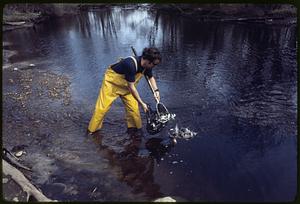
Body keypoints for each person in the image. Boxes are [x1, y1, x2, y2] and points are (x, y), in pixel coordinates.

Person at [88, 47, 162, 134]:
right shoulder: (130, 64)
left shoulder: (147, 66)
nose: (154, 66)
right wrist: (142, 103)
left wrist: (156, 91)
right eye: (154, 64)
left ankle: (135, 131)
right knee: (101, 109)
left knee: (134, 111)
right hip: (112, 84)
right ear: (147, 61)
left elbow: (150, 77)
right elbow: (132, 87)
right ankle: (92, 131)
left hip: (127, 87)